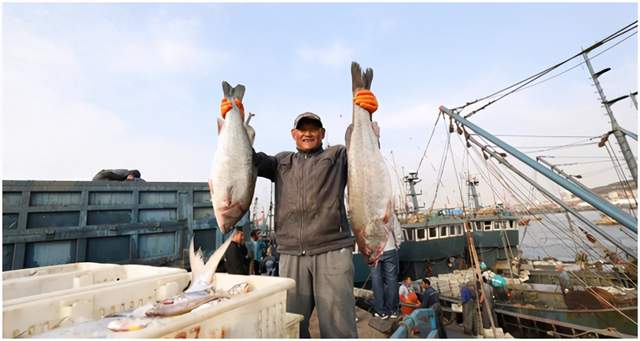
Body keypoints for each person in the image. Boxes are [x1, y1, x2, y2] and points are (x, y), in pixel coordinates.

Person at [222, 87, 379, 338]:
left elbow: (364, 155)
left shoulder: (337, 155)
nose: (308, 133)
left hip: (332, 250)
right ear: (294, 134)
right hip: (291, 254)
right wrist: (235, 121)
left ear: (322, 133)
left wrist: (366, 117)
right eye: (302, 129)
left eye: (313, 129)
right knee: (291, 326)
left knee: (339, 328)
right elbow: (246, 158)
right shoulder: (281, 161)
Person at [369, 216, 402, 320]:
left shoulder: (368, 211)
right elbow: (396, 229)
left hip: (374, 249)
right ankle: (392, 310)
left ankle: (381, 311)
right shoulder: (389, 210)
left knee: (376, 280)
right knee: (392, 280)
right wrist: (397, 244)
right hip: (390, 248)